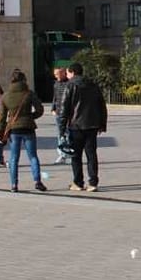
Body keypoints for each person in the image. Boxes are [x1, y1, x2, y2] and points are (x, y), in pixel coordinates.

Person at [0, 69, 48, 193]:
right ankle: (37, 181)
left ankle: (14, 184)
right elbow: (40, 109)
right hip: (28, 128)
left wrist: (0, 134)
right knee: (33, 156)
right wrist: (31, 117)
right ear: (24, 80)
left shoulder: (5, 96)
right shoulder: (29, 93)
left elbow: (2, 118)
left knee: (14, 158)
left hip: (14, 129)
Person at [62, 62, 108, 191]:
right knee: (91, 154)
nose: (67, 75)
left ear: (72, 72)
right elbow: (101, 105)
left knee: (76, 156)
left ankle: (78, 182)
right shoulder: (93, 85)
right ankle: (93, 182)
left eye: (67, 73)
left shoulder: (70, 85)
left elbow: (64, 107)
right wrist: (102, 124)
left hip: (75, 125)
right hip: (92, 125)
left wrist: (62, 128)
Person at [51, 67, 75, 163]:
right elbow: (55, 97)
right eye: (55, 74)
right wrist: (53, 108)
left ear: (63, 73)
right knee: (60, 134)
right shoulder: (56, 84)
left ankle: (71, 153)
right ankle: (62, 154)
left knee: (69, 134)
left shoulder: (69, 84)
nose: (56, 76)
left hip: (68, 113)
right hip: (58, 112)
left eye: (58, 74)